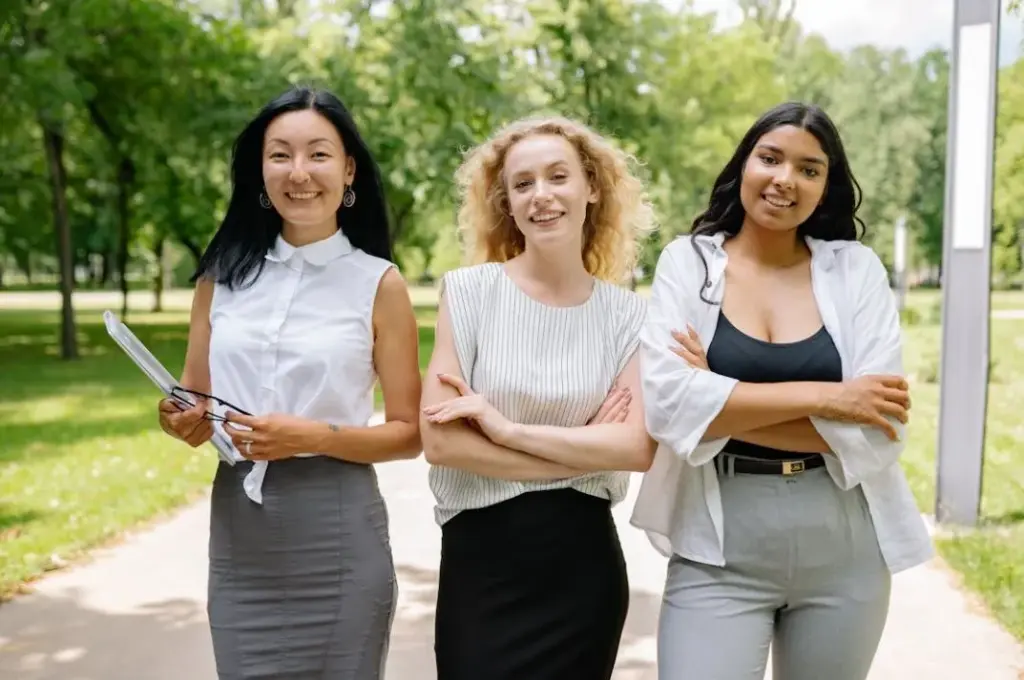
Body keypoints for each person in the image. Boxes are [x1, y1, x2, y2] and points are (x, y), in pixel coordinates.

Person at [631, 101, 933, 680]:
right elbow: (668, 408)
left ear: (826, 187)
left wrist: (717, 398)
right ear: (744, 164)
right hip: (718, 545)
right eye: (770, 158)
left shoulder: (857, 272)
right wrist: (828, 398)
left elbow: (879, 431)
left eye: (809, 168)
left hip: (844, 546)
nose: (785, 180)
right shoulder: (688, 265)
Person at [156, 86, 422, 680]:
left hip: (337, 528)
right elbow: (193, 401)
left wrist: (313, 436)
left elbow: (409, 434)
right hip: (240, 534)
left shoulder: (379, 284)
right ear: (260, 168)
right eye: (280, 154)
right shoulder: (219, 279)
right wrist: (179, 419)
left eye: (318, 154)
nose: (299, 173)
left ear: (348, 168)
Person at [419, 116, 658, 680]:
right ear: (506, 201)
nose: (542, 196)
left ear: (592, 187)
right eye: (523, 184)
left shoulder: (629, 317)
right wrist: (582, 447)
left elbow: (635, 448)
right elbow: (440, 440)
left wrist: (504, 431)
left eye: (558, 177)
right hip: (482, 566)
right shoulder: (470, 294)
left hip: (582, 573)